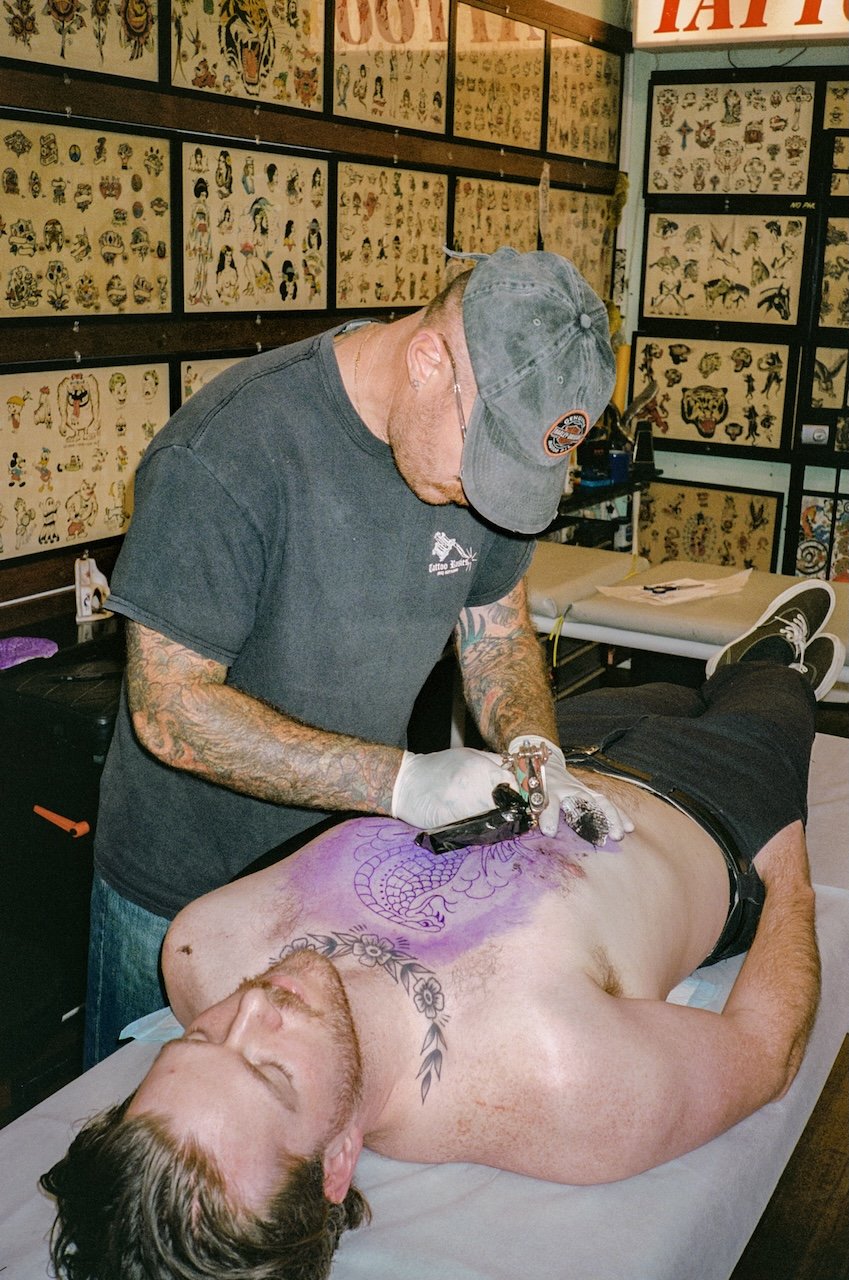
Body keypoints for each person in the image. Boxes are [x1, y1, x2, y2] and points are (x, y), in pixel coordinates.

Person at [43, 582, 845, 1280]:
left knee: (657, 689)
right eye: (268, 1070)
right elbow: (764, 1051)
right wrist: (786, 872)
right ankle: (774, 663)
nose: (252, 1007)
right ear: (337, 1161)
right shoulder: (558, 1084)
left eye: (196, 1042)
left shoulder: (206, 947)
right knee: (770, 692)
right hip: (709, 804)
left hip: (546, 758)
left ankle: (708, 681)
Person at [85, 247, 626, 1066]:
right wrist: (402, 782)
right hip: (183, 888)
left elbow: (497, 635)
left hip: (342, 871)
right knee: (141, 1135)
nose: (484, 497)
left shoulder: (466, 454)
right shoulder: (229, 452)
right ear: (426, 360)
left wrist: (532, 751)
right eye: (480, 467)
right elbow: (171, 710)